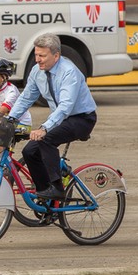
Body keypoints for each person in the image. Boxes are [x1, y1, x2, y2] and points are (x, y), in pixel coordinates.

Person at [8, 33, 97, 202]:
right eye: (36, 55)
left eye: (42, 56)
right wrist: (10, 119)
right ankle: (45, 194)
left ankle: (57, 188)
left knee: (47, 140)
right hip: (60, 118)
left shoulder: (69, 72)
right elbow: (26, 98)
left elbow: (65, 106)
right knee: (29, 151)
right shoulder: (37, 71)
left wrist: (44, 128)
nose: (37, 60)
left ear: (56, 56)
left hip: (81, 119)